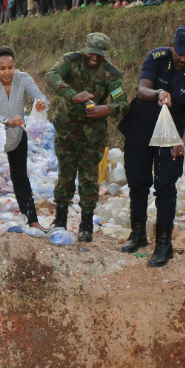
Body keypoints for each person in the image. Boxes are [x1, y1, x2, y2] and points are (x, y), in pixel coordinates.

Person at [118, 27, 185, 267]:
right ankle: (137, 234)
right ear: (171, 45)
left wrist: (184, 143)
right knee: (137, 182)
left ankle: (164, 244)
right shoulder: (157, 57)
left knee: (166, 186)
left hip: (170, 135)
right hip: (141, 127)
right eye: (180, 53)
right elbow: (142, 89)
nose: (183, 58)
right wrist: (158, 92)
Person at [45, 33, 129, 241]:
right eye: (92, 54)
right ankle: (60, 219)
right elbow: (52, 75)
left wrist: (106, 109)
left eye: (99, 56)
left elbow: (123, 103)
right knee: (65, 172)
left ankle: (86, 224)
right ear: (85, 50)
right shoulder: (71, 61)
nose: (95, 58)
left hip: (93, 133)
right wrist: (71, 94)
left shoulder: (111, 74)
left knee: (89, 177)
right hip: (66, 127)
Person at [0, 47, 49, 228]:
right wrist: (7, 120)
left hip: (17, 134)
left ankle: (33, 221)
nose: (7, 72)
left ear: (15, 66)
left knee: (20, 176)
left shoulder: (23, 78)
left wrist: (41, 103)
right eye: (2, 68)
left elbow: (40, 96)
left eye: (10, 67)